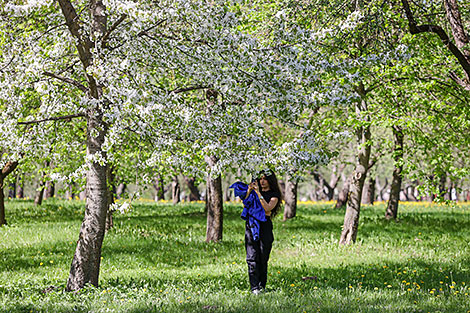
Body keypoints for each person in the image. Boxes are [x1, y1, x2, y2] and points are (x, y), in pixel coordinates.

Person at [244, 169, 283, 294]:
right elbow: (246, 206)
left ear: (270, 180)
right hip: (251, 225)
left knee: (263, 257)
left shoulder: (274, 194)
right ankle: (254, 287)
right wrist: (249, 191)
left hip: (265, 227)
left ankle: (262, 285)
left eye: (265, 179)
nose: (262, 181)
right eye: (260, 179)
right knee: (251, 257)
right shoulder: (253, 193)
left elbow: (267, 208)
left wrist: (258, 193)